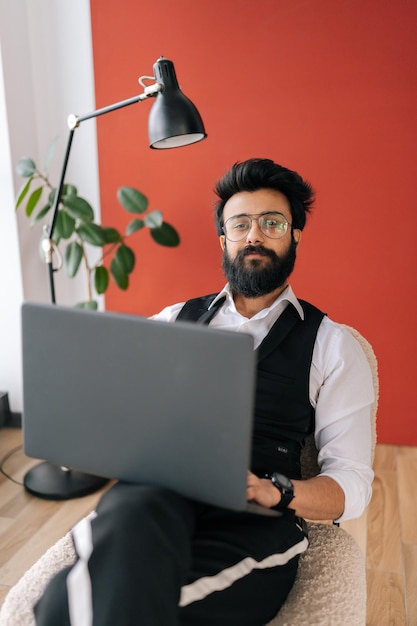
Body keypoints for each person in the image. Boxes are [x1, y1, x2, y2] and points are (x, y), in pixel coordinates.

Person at [34, 158, 374, 626]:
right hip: (154, 495)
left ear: (295, 234)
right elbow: (116, 406)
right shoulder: (172, 319)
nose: (254, 235)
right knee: (115, 544)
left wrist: (276, 491)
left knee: (67, 609)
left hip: (252, 516)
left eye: (272, 223)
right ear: (224, 240)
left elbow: (352, 486)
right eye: (240, 224)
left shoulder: (333, 345)